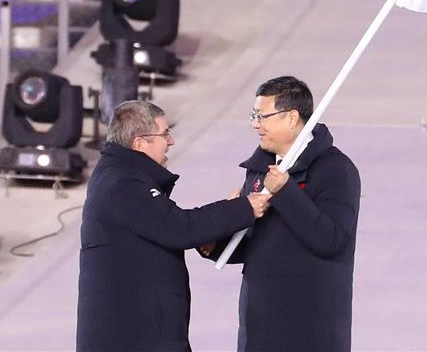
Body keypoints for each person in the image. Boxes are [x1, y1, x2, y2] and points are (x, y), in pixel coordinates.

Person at [76, 100, 273, 352]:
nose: (171, 141)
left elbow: (168, 223)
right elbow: (179, 228)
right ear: (140, 143)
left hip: (140, 332)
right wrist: (245, 208)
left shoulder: (119, 175)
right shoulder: (123, 184)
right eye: (164, 134)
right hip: (132, 338)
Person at [202, 76, 361, 352]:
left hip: (309, 326)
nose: (255, 124)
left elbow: (331, 240)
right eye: (254, 115)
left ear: (291, 118)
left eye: (262, 116)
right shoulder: (260, 168)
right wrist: (216, 243)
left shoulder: (336, 170)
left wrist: (285, 191)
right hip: (260, 323)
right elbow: (257, 242)